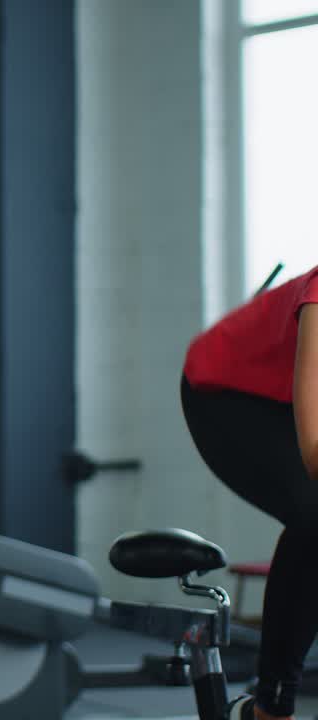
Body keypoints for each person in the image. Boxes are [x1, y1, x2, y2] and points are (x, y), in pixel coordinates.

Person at [181, 264, 318, 720]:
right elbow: (315, 450)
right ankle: (271, 705)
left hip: (282, 396)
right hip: (226, 391)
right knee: (315, 514)